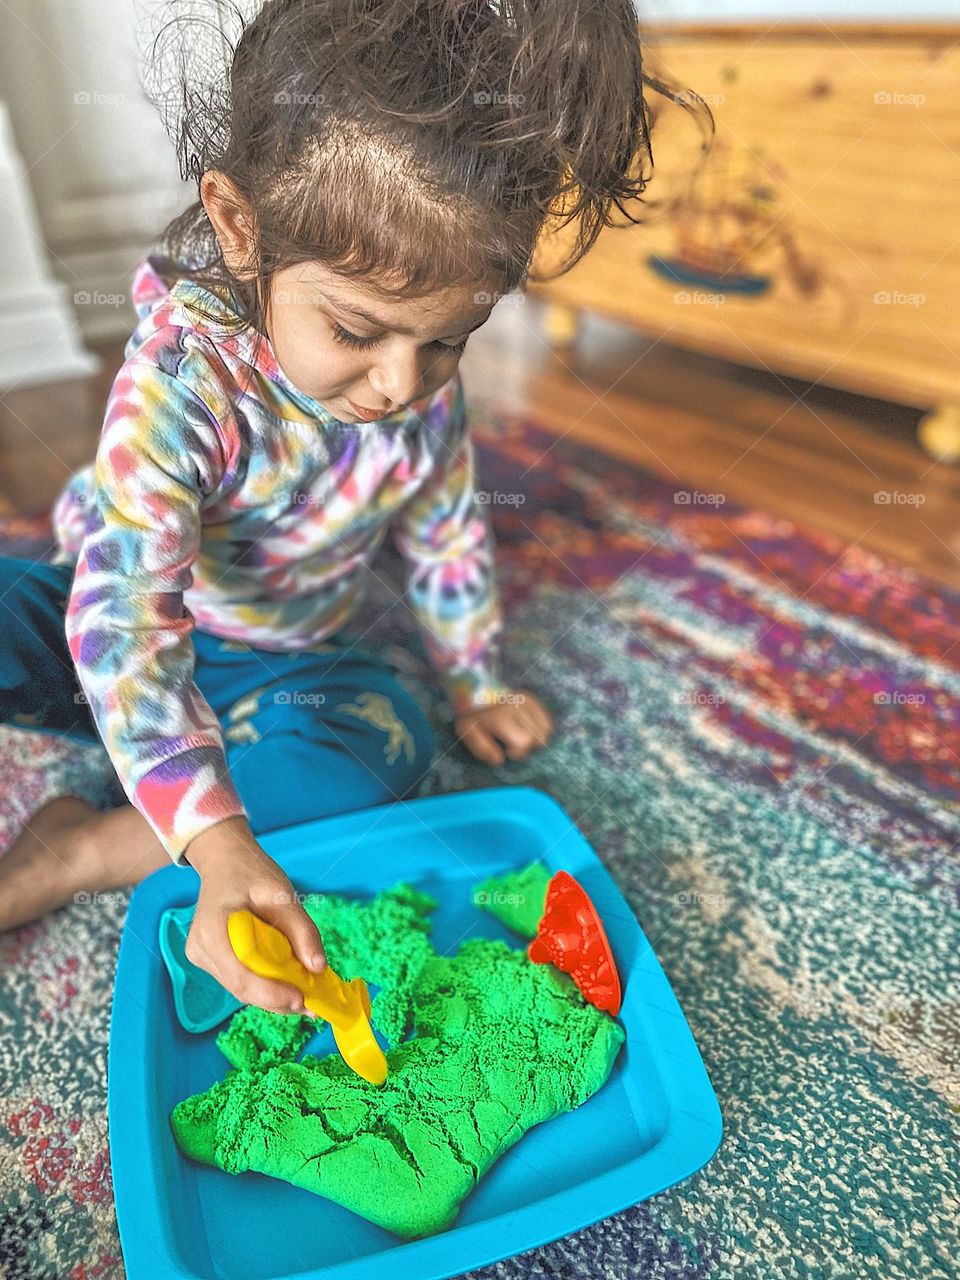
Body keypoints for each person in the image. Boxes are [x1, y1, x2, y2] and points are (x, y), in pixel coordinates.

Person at [0, 0, 683, 1014]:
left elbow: (448, 530)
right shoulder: (182, 384)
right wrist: (217, 834)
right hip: (118, 620)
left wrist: (476, 682)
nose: (402, 383)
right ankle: (174, 783)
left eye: (449, 338)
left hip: (289, 663)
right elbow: (125, 622)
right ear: (240, 227)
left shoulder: (415, 387)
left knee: (377, 758)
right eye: (356, 329)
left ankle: (84, 844)